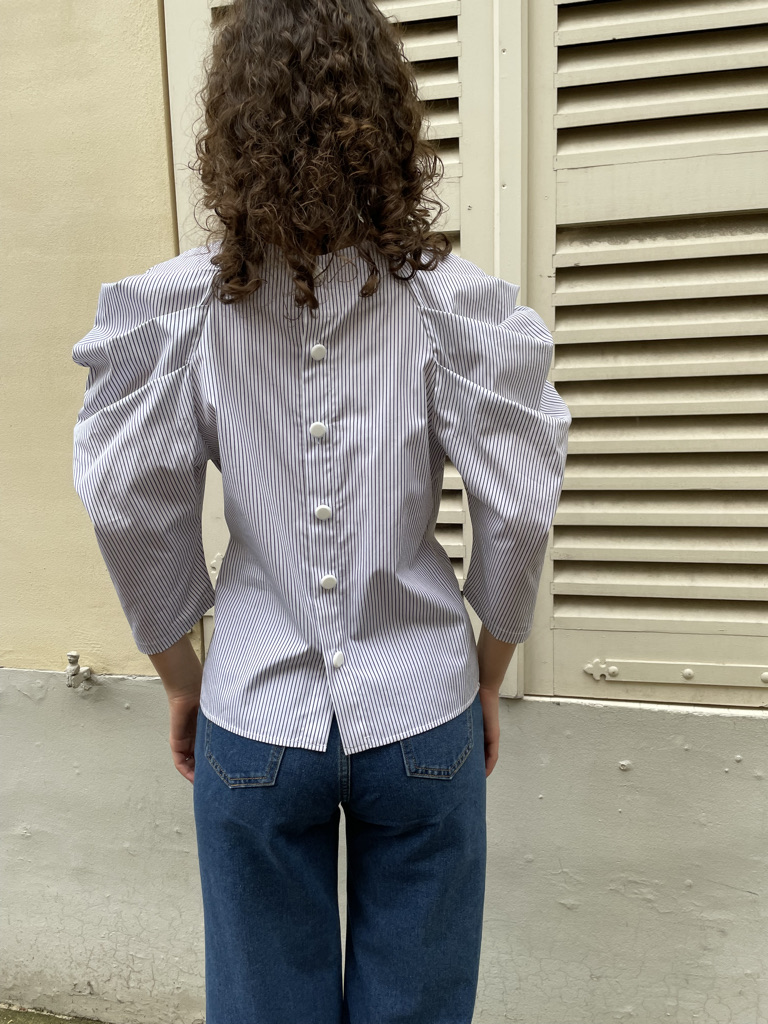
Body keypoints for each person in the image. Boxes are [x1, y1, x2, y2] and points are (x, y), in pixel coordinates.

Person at [70, 0, 571, 1020]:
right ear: (388, 124)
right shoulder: (448, 303)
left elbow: (127, 501)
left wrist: (180, 676)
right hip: (421, 708)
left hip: (254, 712)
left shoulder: (183, 308)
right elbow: (519, 506)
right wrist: (489, 668)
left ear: (232, 129)